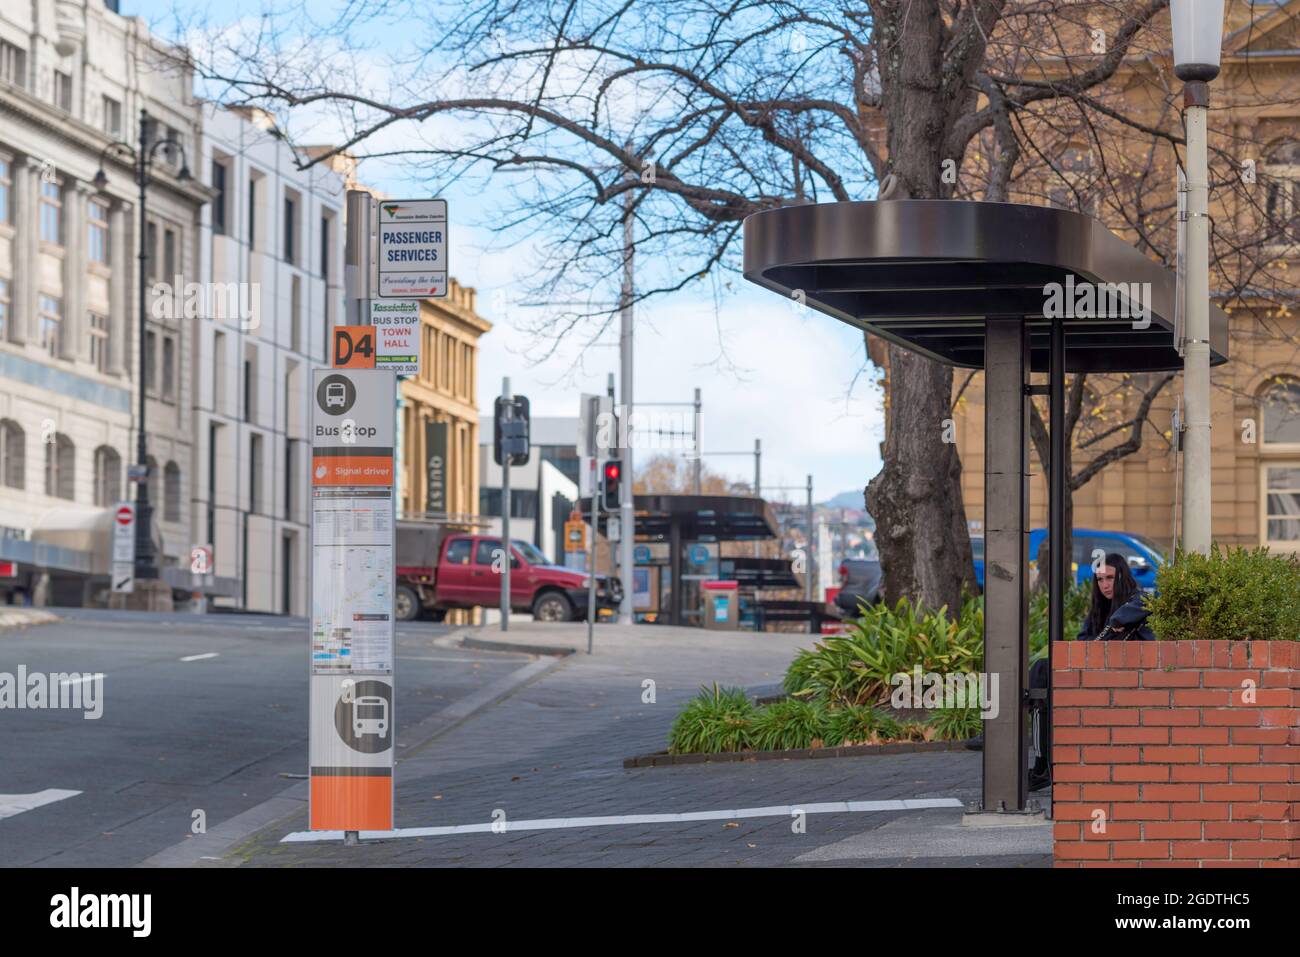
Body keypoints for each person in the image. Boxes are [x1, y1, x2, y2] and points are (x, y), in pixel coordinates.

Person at [1077, 552, 1155, 641]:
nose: (1105, 585)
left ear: (1122, 577)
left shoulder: (1137, 600)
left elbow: (1145, 601)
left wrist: (1118, 619)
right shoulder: (1099, 606)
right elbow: (1082, 639)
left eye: (1110, 578)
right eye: (1100, 579)